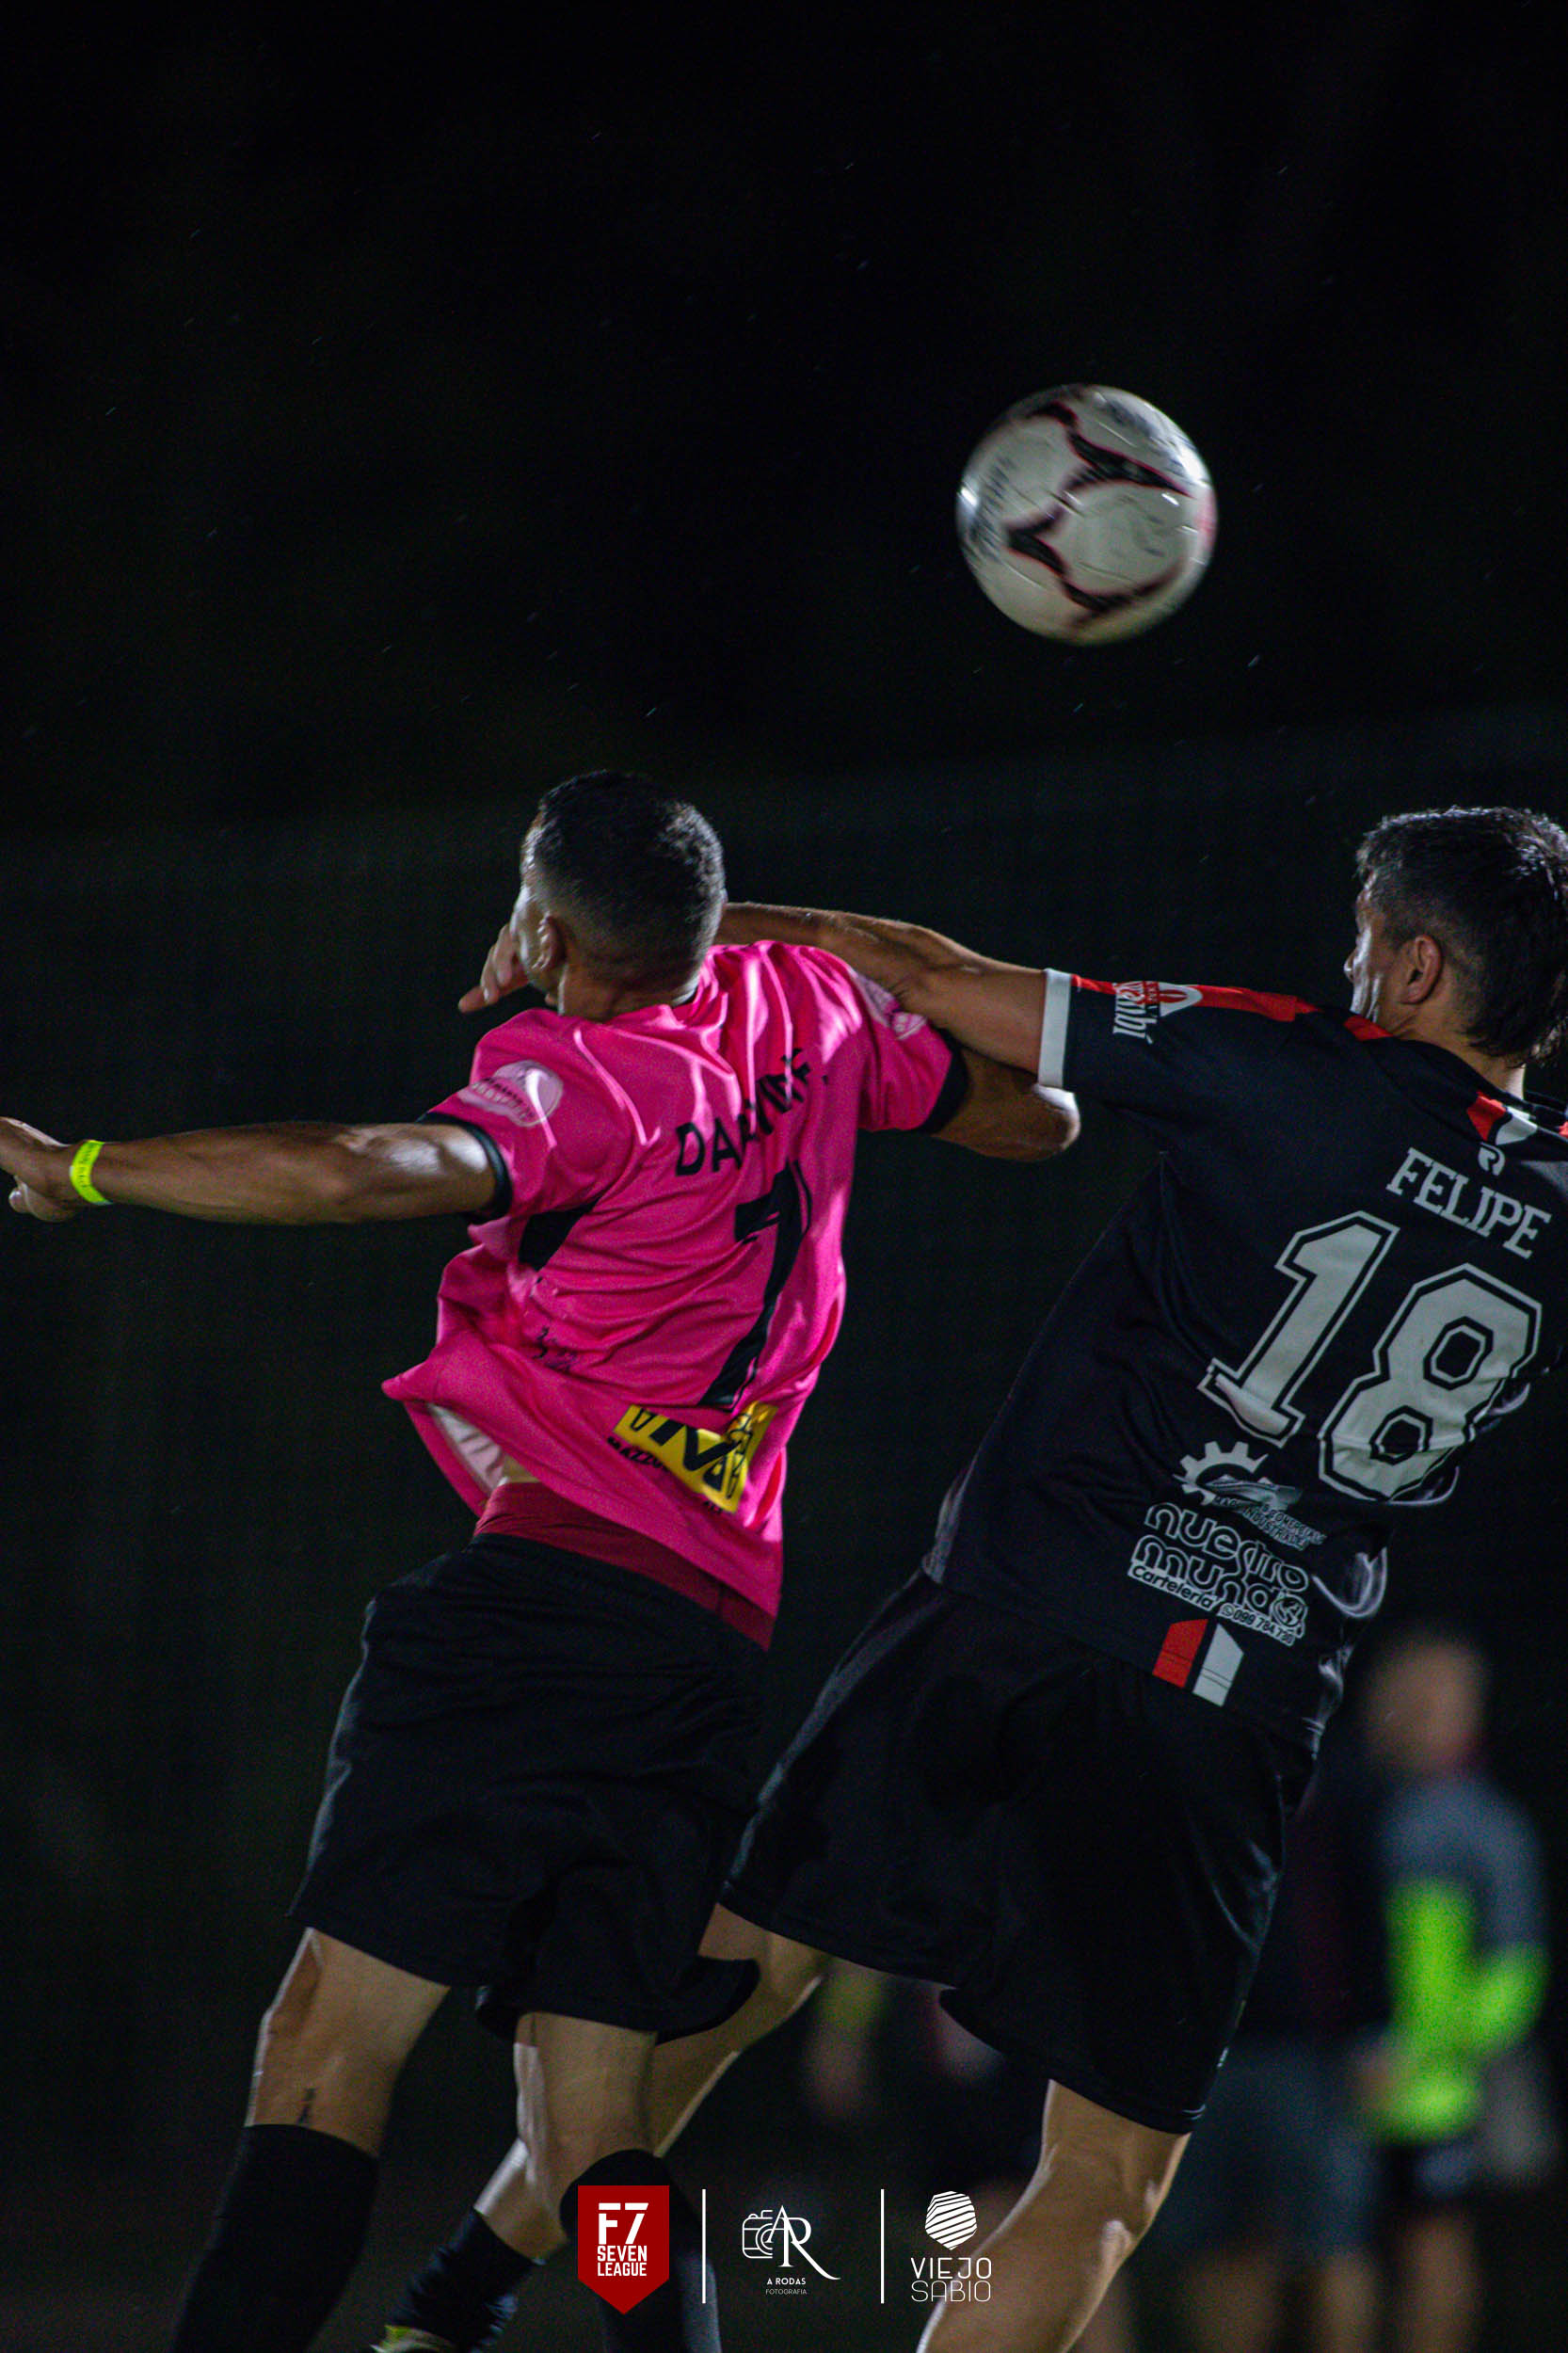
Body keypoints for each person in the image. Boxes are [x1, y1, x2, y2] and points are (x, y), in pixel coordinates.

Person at [376, 803, 1568, 2353]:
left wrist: (671, 933)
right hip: (1233, 1705)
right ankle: (478, 2294)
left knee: (712, 1999)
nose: (1345, 970)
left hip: (1019, 1607)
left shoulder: (1289, 1064)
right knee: (1103, 2183)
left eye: (1363, 944)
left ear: (1414, 968)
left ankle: (460, 2295)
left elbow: (931, 974)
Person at [0, 769, 1076, 2353]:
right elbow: (1040, 1118)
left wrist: (83, 1167)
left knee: (326, 2051)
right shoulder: (808, 1005)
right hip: (706, 1647)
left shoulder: (579, 1081)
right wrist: (756, 951)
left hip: (541, 1611)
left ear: (552, 928)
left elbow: (357, 1167)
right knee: (595, 2133)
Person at [1357, 1626, 1549, 2353]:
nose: (1413, 1715)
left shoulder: (1487, 1827)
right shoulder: (1350, 1804)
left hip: (1436, 2094)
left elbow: (1513, 1975)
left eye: (1434, 1700)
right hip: (1340, 2079)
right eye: (1402, 1697)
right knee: (1339, 2253)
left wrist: (1419, 2053)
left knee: (1432, 2248)